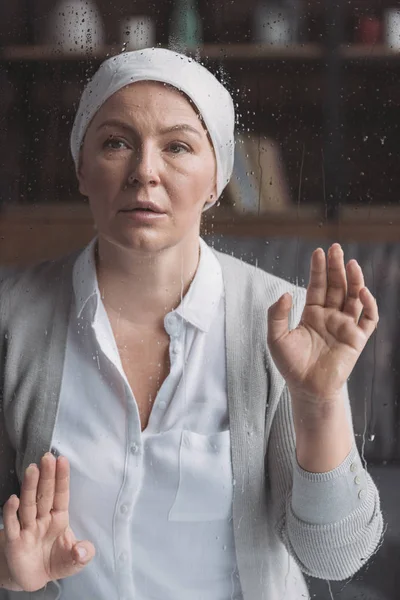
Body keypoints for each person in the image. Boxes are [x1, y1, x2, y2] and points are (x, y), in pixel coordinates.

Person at [0, 48, 383, 600]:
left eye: (177, 146)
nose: (144, 173)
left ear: (216, 180)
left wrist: (318, 402)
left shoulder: (286, 321)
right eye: (115, 143)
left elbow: (336, 557)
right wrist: (10, 572)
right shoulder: (11, 317)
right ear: (82, 167)